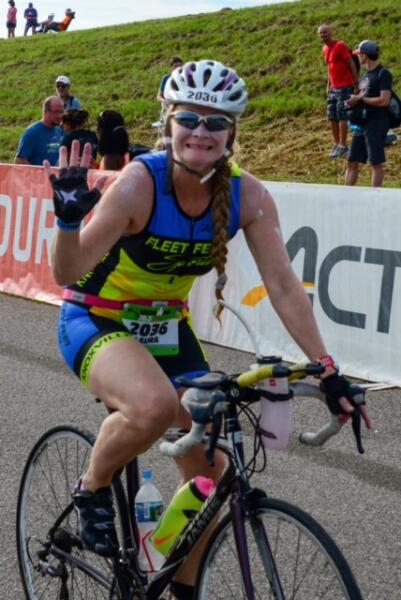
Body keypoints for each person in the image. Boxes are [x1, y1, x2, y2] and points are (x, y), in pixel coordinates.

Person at [44, 60, 370, 599]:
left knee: (211, 474)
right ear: (168, 122)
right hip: (95, 315)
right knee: (151, 407)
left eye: (216, 122)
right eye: (189, 118)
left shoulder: (248, 196)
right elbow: (66, 272)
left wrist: (328, 369)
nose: (201, 131)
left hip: (166, 327)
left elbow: (285, 287)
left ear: (231, 133)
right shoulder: (138, 184)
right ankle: (91, 487)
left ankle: (177, 583)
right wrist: (67, 222)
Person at [345, 40, 392, 188]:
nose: (358, 57)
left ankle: (375, 195)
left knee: (375, 162)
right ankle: (346, 193)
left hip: (377, 121)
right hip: (362, 122)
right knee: (352, 160)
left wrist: (361, 99)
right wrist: (353, 101)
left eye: (360, 54)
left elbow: (384, 100)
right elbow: (361, 96)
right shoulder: (365, 75)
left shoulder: (383, 74)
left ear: (365, 55)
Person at [318, 24, 359, 158]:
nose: (323, 35)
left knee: (342, 115)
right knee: (332, 116)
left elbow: (351, 64)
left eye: (325, 32)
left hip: (345, 85)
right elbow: (330, 68)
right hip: (333, 87)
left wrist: (356, 83)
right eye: (320, 33)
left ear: (330, 32)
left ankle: (343, 145)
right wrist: (328, 85)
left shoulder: (340, 46)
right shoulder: (324, 48)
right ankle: (336, 144)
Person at [15, 96, 64, 166]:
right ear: (46, 111)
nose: (60, 116)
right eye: (56, 112)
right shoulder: (32, 132)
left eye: (61, 112)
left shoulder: (60, 131)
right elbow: (19, 161)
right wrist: (37, 175)